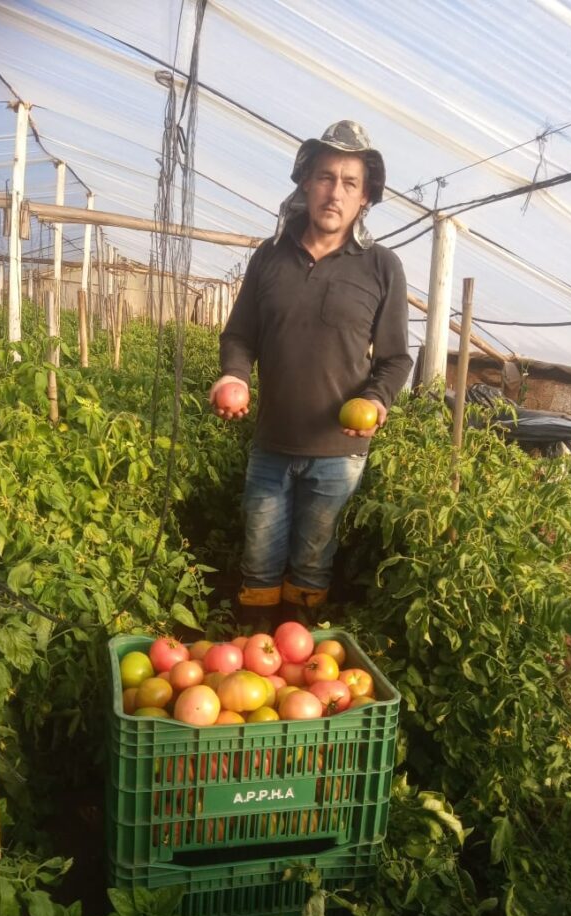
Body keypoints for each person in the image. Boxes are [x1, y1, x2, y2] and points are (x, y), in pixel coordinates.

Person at [210, 120, 411, 625]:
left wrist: (378, 402)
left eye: (349, 183)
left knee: (313, 565)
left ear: (365, 197)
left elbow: (394, 358)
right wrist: (233, 375)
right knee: (258, 564)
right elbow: (239, 335)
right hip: (271, 444)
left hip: (339, 452)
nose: (335, 192)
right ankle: (256, 655)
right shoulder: (270, 257)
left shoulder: (381, 266)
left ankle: (300, 661)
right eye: (326, 177)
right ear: (305, 182)